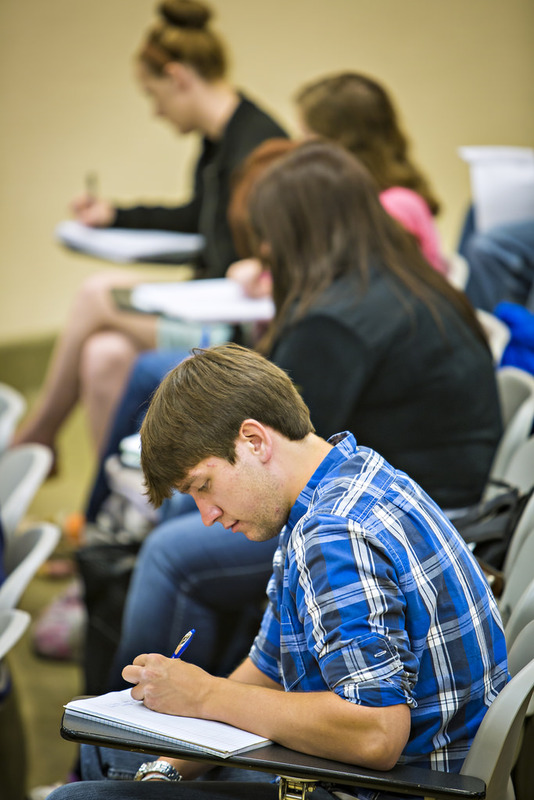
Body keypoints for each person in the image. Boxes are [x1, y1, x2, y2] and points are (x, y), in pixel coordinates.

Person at [101, 141, 502, 692]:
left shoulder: (339, 322)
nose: (265, 253)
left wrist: (206, 699)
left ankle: (114, 739)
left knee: (170, 554)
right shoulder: (399, 280)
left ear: (298, 234)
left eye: (268, 238)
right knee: (186, 511)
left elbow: (284, 436)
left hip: (407, 521)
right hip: (423, 502)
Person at [48, 343, 508, 800]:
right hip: (372, 773)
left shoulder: (332, 535)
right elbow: (267, 668)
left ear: (254, 440)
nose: (206, 515)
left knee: (74, 795)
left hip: (387, 786)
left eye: (204, 486)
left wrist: (206, 695)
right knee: (111, 749)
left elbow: (376, 733)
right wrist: (165, 771)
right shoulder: (350, 474)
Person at [13, 0, 286, 458]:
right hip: (207, 307)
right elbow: (196, 216)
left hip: (234, 331)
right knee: (103, 356)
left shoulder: (257, 146)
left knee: (97, 293)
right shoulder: (219, 141)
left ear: (178, 78)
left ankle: (39, 432)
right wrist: (114, 216)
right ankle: (119, 513)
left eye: (153, 95)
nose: (156, 111)